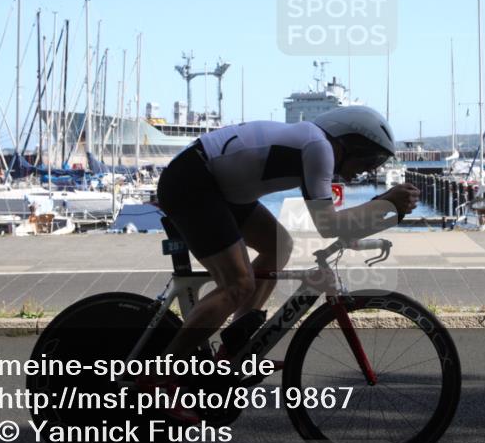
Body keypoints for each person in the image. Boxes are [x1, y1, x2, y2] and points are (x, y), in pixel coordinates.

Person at [150, 106, 418, 421]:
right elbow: (328, 225)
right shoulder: (319, 147)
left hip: (221, 188)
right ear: (350, 143)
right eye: (370, 160)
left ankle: (235, 346)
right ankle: (156, 379)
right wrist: (384, 203)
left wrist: (366, 224)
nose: (367, 171)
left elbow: (333, 224)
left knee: (279, 245)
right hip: (193, 182)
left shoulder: (316, 144)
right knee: (238, 283)